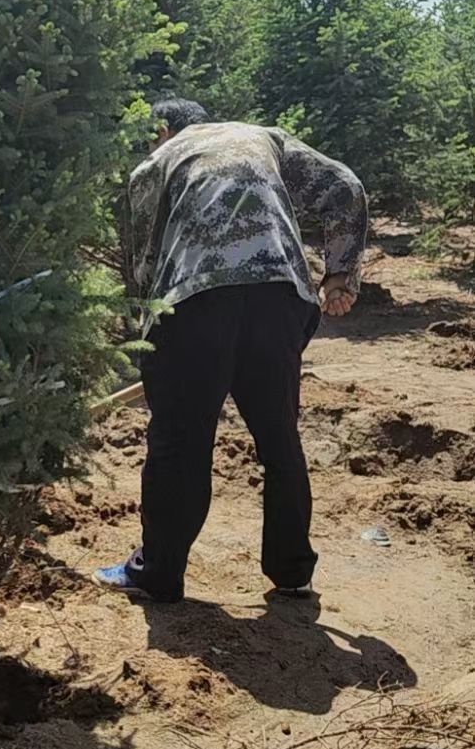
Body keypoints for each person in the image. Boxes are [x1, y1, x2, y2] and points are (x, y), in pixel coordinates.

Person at [95, 99, 368, 605]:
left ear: (162, 129)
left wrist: (146, 335)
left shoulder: (155, 163)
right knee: (279, 437)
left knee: (179, 441)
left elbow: (141, 262)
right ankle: (292, 575)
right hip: (280, 294)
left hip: (194, 301)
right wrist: (338, 272)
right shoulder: (264, 136)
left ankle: (159, 573)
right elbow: (345, 188)